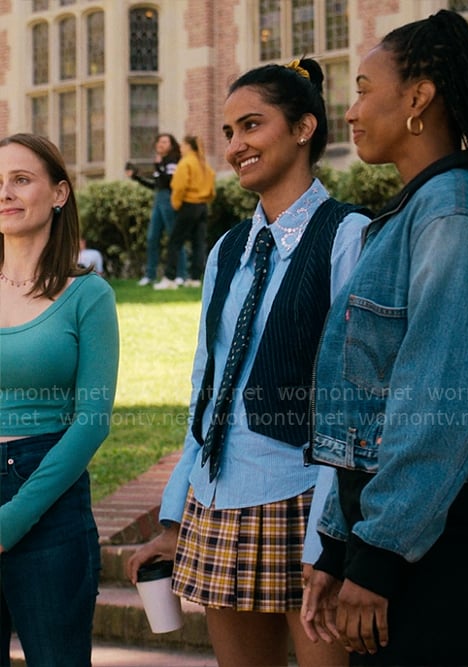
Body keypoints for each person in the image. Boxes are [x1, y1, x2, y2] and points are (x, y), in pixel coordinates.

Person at [127, 58, 371, 667]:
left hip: (305, 494)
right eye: (230, 132)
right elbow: (204, 388)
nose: (236, 146)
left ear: (304, 127)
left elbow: (361, 402)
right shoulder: (227, 249)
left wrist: (333, 535)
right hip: (217, 496)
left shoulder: (349, 236)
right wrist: (175, 515)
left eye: (252, 126)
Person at [300, 10, 468, 667]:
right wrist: (338, 544)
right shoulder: (414, 212)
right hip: (397, 523)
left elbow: (436, 402)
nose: (351, 110)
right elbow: (370, 401)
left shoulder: (453, 215)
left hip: (438, 525)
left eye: (363, 88)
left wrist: (381, 553)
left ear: (418, 98)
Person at [0, 133, 120, 666]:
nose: (5, 192)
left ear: (59, 193)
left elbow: (91, 421)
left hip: (48, 497)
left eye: (21, 179)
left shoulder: (87, 295)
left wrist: (14, 517)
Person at [153, 135, 215, 290]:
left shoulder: (186, 163)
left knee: (175, 241)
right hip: (202, 206)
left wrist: (176, 203)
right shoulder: (203, 163)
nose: (180, 148)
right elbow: (212, 186)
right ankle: (195, 279)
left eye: (182, 145)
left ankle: (169, 278)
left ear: (188, 146)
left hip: (188, 205)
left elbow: (179, 186)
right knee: (198, 243)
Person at [126, 132, 186, 287]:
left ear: (171, 145)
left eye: (165, 142)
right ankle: (150, 275)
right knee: (152, 237)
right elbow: (156, 184)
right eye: (159, 141)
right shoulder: (161, 162)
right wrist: (136, 177)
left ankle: (181, 274)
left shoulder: (173, 160)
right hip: (158, 199)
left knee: (174, 236)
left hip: (169, 198)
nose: (161, 144)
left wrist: (159, 165)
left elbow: (169, 181)